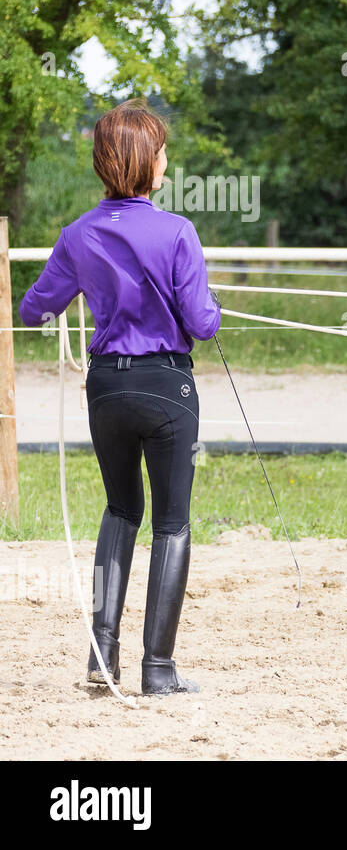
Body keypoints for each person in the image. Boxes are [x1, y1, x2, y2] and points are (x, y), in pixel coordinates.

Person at [20, 98, 221, 695]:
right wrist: (209, 309)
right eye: (161, 152)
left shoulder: (77, 234)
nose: (166, 160)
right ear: (144, 161)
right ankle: (158, 670)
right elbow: (203, 323)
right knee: (172, 524)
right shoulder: (178, 231)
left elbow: (34, 310)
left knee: (119, 511)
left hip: (106, 387)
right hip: (166, 387)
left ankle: (100, 655)